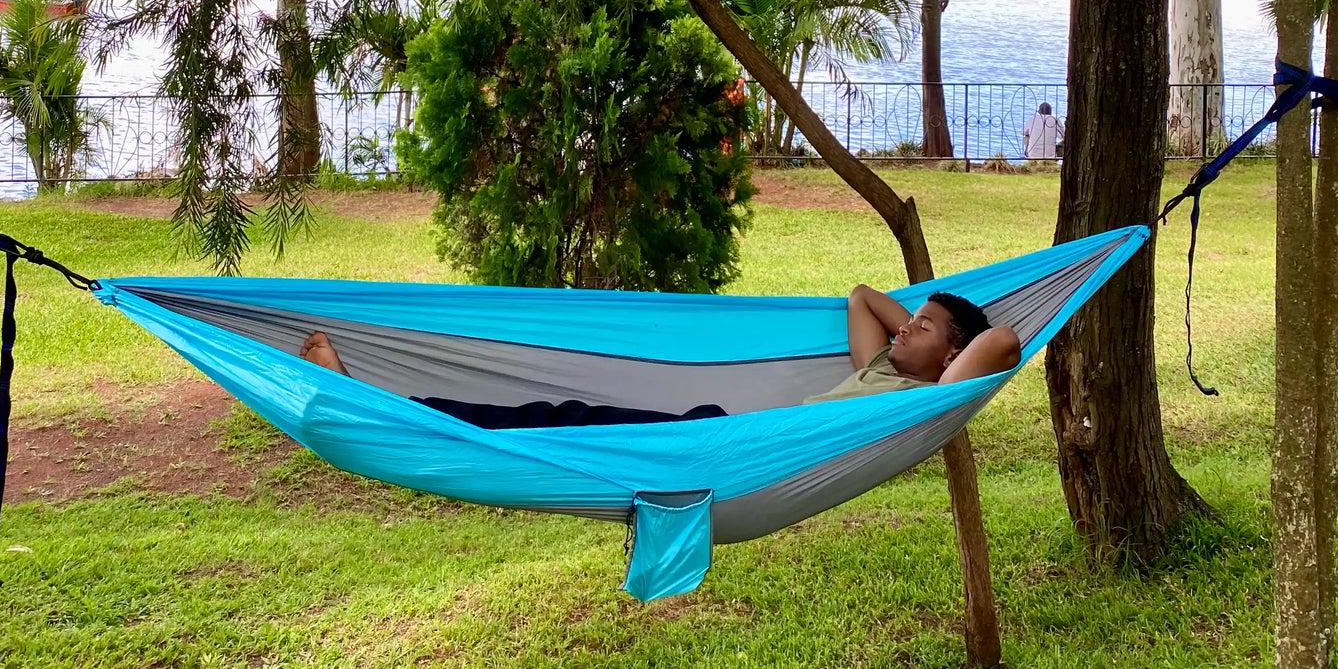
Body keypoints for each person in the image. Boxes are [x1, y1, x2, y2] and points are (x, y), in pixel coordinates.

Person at [296, 330, 727, 429]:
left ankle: (365, 403)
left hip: (701, 444)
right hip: (703, 437)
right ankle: (366, 402)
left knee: (554, 423)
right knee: (554, 421)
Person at [804, 286, 1020, 402]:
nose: (902, 328)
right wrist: (917, 328)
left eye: (924, 328)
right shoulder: (882, 367)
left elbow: (1003, 338)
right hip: (781, 429)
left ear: (953, 357)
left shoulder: (932, 396)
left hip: (791, 444)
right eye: (908, 321)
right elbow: (862, 296)